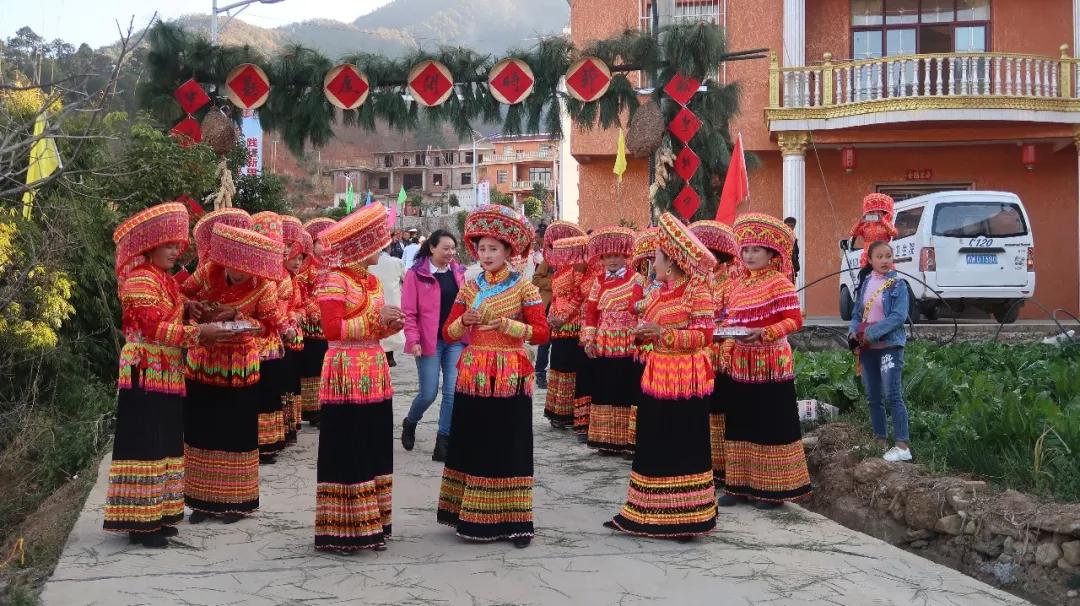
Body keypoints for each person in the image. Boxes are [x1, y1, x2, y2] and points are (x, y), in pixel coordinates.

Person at [104, 202, 226, 548]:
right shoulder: (139, 280)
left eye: (177, 245)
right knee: (146, 442)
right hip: (145, 370)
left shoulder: (164, 280)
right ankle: (140, 524)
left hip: (168, 371)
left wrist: (190, 309)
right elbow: (154, 327)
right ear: (151, 246)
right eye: (168, 245)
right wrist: (201, 334)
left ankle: (158, 513)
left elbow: (171, 314)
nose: (175, 251)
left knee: (166, 442)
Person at [437, 205, 549, 548]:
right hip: (474, 373)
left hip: (510, 373)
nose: (486, 255)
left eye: (493, 249)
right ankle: (468, 514)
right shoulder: (469, 287)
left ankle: (515, 520)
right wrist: (464, 322)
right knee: (476, 438)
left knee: (509, 442)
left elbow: (541, 333)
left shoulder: (523, 288)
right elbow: (448, 334)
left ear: (508, 251)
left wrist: (506, 325)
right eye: (482, 249)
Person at [605, 213, 717, 540]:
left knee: (683, 445)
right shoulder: (659, 291)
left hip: (686, 381)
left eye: (657, 256)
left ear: (671, 261)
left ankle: (687, 517)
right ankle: (646, 511)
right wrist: (644, 335)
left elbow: (703, 336)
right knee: (655, 443)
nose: (653, 262)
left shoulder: (697, 290)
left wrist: (662, 334)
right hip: (658, 377)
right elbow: (647, 327)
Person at [312, 204, 404, 553]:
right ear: (361, 246)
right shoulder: (334, 279)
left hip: (374, 370)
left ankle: (373, 522)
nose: (382, 248)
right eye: (377, 243)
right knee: (348, 444)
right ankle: (344, 528)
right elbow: (331, 328)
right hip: (345, 372)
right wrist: (374, 321)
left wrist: (390, 323)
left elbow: (376, 325)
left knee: (374, 442)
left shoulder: (374, 281)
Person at [181, 223, 286, 523]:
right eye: (235, 266)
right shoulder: (207, 271)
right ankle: (201, 502)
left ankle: (236, 503)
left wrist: (237, 316)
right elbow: (180, 295)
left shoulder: (264, 286)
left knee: (235, 433)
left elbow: (269, 326)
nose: (240, 273)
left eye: (246, 268)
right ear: (226, 258)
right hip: (203, 364)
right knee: (202, 430)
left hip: (240, 367)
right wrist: (194, 307)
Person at [719, 213, 812, 509]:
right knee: (741, 422)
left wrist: (765, 333)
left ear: (772, 253)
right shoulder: (737, 286)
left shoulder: (779, 283)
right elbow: (731, 320)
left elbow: (794, 320)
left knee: (769, 424)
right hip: (740, 364)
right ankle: (738, 486)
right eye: (745, 250)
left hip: (771, 365)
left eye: (756, 250)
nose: (749, 255)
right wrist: (723, 336)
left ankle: (772, 491)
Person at [401, 230, 467, 462]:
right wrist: (413, 340)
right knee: (428, 393)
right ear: (432, 248)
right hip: (428, 342)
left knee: (452, 392)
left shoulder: (459, 273)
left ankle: (443, 440)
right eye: (445, 248)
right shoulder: (415, 275)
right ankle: (410, 422)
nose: (450, 253)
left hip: (454, 341)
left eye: (452, 248)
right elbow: (409, 313)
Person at [580, 226, 642, 456]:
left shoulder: (637, 280)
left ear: (626, 256)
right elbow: (591, 313)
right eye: (608, 256)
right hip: (604, 342)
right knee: (605, 388)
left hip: (628, 342)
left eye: (617, 255)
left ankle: (628, 441)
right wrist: (589, 340)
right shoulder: (597, 281)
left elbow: (639, 310)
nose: (613, 260)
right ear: (602, 258)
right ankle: (605, 439)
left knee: (626, 388)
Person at [849, 241, 912, 463]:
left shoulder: (898, 285)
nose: (885, 260)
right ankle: (879, 439)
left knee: (892, 395)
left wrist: (871, 333)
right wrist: (852, 333)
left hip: (889, 348)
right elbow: (857, 314)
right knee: (873, 397)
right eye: (880, 256)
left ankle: (902, 445)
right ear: (870, 260)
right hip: (867, 350)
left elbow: (898, 317)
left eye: (888, 256)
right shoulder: (865, 283)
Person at [690, 220, 741, 488]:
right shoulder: (695, 282)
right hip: (700, 353)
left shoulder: (731, 283)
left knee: (721, 410)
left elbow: (733, 320)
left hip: (721, 354)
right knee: (704, 411)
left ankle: (723, 469)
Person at [251, 212, 295, 464]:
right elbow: (268, 311)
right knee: (261, 393)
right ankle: (261, 444)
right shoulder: (257, 272)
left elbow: (282, 307)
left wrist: (288, 323)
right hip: (256, 341)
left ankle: (269, 442)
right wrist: (284, 325)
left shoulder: (277, 272)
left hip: (273, 340)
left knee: (270, 392)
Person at [540, 225, 587, 429]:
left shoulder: (577, 266)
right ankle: (557, 412)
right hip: (558, 327)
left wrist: (564, 316)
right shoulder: (559, 269)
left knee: (569, 369)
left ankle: (569, 414)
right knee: (557, 367)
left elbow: (579, 294)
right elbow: (557, 296)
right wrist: (551, 316)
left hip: (573, 327)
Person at [298, 218, 336, 426]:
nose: (325, 246)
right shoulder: (306, 265)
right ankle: (311, 410)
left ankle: (322, 406)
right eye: (321, 242)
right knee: (311, 366)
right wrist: (313, 306)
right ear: (313, 243)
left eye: (328, 241)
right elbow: (300, 293)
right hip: (311, 324)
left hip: (327, 323)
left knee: (323, 366)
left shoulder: (331, 265)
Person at [280, 216, 309, 445]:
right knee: (283, 384)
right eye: (293, 257)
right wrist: (291, 317)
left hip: (292, 336)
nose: (298, 262)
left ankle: (289, 428)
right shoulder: (279, 278)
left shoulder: (293, 279)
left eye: (300, 258)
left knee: (290, 382)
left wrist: (299, 314)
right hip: (279, 336)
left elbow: (297, 305)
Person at [370, 247, 407, 367]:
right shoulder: (396, 262)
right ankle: (389, 356)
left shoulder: (368, 263)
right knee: (390, 331)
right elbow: (406, 279)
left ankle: (384, 356)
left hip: (373, 303)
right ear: (389, 249)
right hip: (392, 302)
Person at [531, 227, 554, 390]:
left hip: (565, 308)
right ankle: (540, 373)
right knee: (545, 341)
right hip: (548, 305)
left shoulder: (573, 262)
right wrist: (554, 285)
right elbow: (536, 279)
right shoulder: (549, 260)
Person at [784, 217, 800, 283]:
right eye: (788, 225)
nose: (790, 228)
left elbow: (796, 254)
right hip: (783, 270)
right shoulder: (781, 237)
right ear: (784, 226)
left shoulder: (794, 239)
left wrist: (795, 268)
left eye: (792, 226)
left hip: (792, 270)